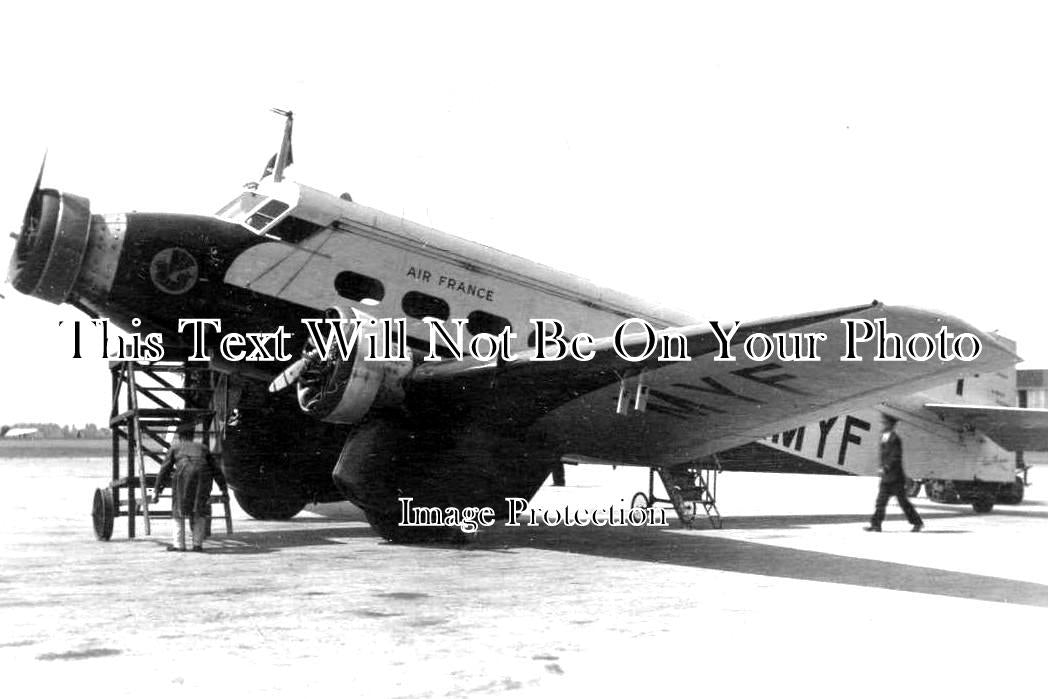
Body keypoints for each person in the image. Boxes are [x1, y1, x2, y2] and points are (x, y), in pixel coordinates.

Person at [152, 426, 228, 552]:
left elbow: (164, 470)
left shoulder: (175, 448)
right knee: (199, 509)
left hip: (183, 476)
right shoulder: (203, 448)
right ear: (192, 436)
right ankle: (197, 545)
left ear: (179, 437)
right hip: (204, 477)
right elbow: (216, 470)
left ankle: (179, 545)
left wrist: (156, 490)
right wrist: (223, 489)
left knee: (178, 510)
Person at [865, 414, 923, 532]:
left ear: (891, 425)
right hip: (886, 478)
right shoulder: (883, 437)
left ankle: (917, 523)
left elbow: (896, 457)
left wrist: (885, 468)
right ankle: (876, 525)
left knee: (903, 503)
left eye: (885, 422)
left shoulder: (895, 439)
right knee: (880, 502)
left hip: (896, 478)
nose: (882, 424)